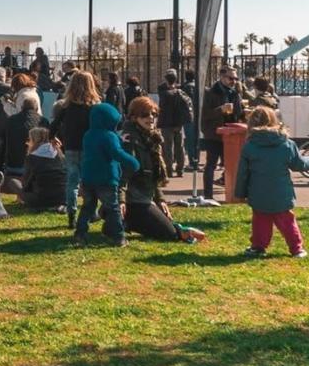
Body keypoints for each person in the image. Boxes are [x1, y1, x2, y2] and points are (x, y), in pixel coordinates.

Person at [119, 97, 207, 243]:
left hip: (145, 197)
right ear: (134, 117)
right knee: (169, 234)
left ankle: (123, 221)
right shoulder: (129, 139)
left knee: (165, 224)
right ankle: (118, 219)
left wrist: (160, 199)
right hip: (133, 200)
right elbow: (123, 174)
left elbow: (155, 175)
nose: (151, 118)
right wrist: (121, 201)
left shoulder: (152, 138)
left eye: (154, 114)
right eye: (145, 115)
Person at [235, 107, 309, 258]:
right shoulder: (286, 144)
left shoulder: (250, 146)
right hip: (281, 191)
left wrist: (240, 193)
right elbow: (298, 165)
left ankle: (258, 247)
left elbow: (243, 173)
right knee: (287, 221)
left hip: (258, 192)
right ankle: (296, 248)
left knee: (260, 221)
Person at [73, 103, 138, 247]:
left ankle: (80, 234)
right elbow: (116, 153)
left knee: (88, 207)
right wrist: (133, 162)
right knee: (113, 208)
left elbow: (100, 146)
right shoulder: (109, 136)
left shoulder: (88, 134)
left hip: (88, 177)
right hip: (106, 178)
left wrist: (119, 139)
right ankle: (118, 237)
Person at [51, 71, 101, 228]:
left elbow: (54, 125)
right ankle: (90, 212)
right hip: (89, 147)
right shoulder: (94, 107)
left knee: (72, 182)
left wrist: (53, 137)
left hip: (71, 146)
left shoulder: (66, 106)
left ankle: (71, 212)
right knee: (89, 182)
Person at [200, 65, 246, 201]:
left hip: (231, 135)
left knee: (232, 165)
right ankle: (208, 195)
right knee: (211, 164)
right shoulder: (210, 92)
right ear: (221, 76)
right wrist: (221, 109)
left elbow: (238, 113)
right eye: (230, 78)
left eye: (236, 78)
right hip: (214, 134)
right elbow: (204, 115)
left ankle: (233, 194)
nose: (234, 81)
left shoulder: (235, 93)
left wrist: (244, 113)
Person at [19, 127, 67, 212]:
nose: (27, 142)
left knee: (17, 187)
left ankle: (42, 205)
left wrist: (23, 192)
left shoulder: (31, 157)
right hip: (62, 197)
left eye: (29, 139)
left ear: (34, 140)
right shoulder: (60, 155)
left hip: (41, 198)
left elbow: (27, 182)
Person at [156, 69, 192, 178]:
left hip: (167, 123)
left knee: (168, 147)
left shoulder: (163, 93)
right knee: (180, 147)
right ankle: (180, 169)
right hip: (178, 123)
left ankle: (169, 169)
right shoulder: (180, 92)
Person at [4, 94, 44, 177]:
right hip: (35, 167)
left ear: (22, 108)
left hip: (13, 165)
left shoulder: (11, 120)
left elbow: (3, 144)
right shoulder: (43, 122)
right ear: (36, 109)